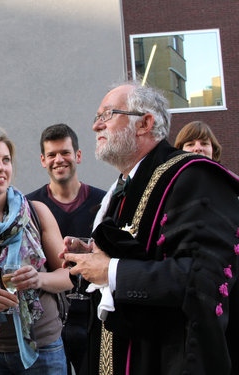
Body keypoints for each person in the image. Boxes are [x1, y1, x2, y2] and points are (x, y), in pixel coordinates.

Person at [61, 82, 239, 375]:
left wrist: (111, 271)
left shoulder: (195, 177)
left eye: (107, 115)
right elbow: (143, 252)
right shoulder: (124, 187)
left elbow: (202, 277)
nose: (95, 126)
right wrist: (92, 256)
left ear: (145, 123)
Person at [0, 128, 73, 374]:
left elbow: (69, 276)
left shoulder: (36, 212)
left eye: (5, 160)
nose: (1, 168)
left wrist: (39, 278)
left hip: (43, 347)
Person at [26, 123, 105, 375]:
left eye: (65, 152)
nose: (58, 160)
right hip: (50, 322)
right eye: (51, 154)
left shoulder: (104, 203)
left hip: (95, 320)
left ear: (78, 156)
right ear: (42, 160)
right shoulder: (30, 208)